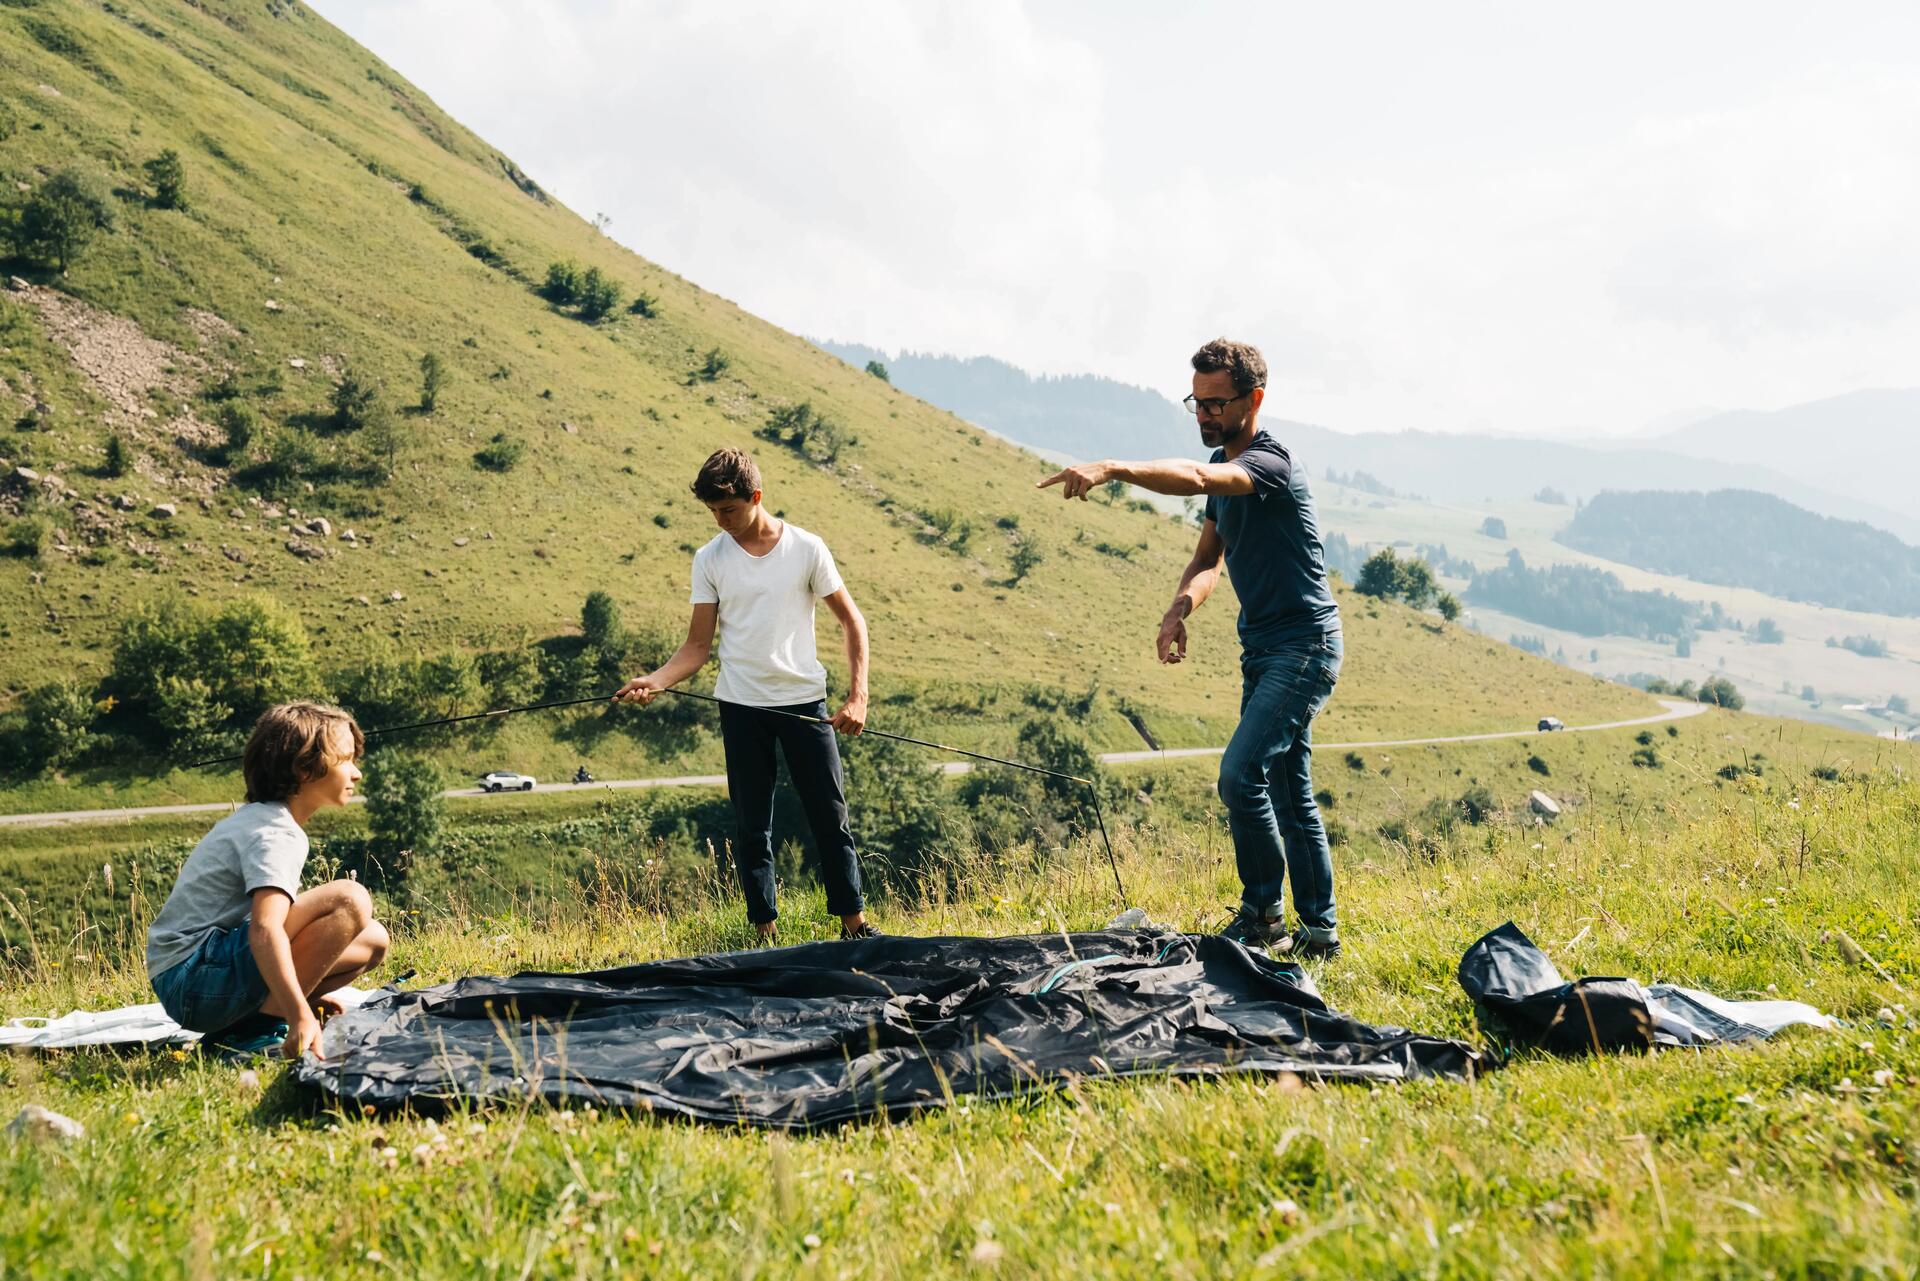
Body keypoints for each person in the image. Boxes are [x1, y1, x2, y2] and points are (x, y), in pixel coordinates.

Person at [1039, 338, 1344, 958]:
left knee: (1240, 774)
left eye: (1216, 404)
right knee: (1288, 788)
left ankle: (1262, 915)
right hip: (1261, 648)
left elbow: (1204, 475)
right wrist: (1180, 607)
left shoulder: (1268, 465)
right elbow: (1209, 558)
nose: (1204, 415)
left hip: (1304, 643)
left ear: (1253, 400)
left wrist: (1114, 467)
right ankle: (1320, 930)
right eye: (1196, 403)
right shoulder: (1225, 476)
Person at [614, 447, 881, 943]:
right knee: (753, 827)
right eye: (713, 512)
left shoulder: (806, 548)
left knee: (829, 816)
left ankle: (855, 925)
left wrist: (857, 696)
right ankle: (765, 935)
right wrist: (656, 680)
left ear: (756, 497)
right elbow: (696, 646)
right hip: (740, 707)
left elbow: (852, 621)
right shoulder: (709, 558)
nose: (721, 521)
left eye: (729, 510)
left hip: (805, 705)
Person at [147, 702, 391, 1058]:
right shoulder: (275, 832)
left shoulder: (266, 820)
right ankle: (259, 1031)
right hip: (192, 980)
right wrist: (298, 1012)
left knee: (373, 939)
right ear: (305, 769)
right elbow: (264, 929)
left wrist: (307, 996)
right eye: (347, 759)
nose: (356, 774)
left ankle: (241, 1030)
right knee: (350, 900)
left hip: (194, 977)